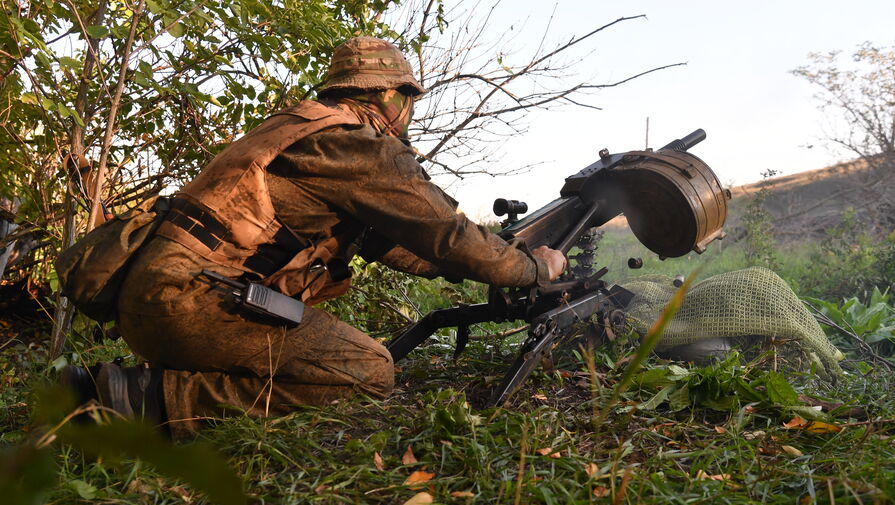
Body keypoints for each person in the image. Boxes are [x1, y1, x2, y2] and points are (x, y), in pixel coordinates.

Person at [63, 37, 566, 437]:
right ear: (388, 96)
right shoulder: (357, 146)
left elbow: (398, 243)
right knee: (368, 371)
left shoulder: (299, 129)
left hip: (149, 296)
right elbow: (447, 234)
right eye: (408, 98)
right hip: (191, 302)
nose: (409, 112)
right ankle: (130, 402)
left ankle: (133, 389)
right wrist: (533, 267)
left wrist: (464, 260)